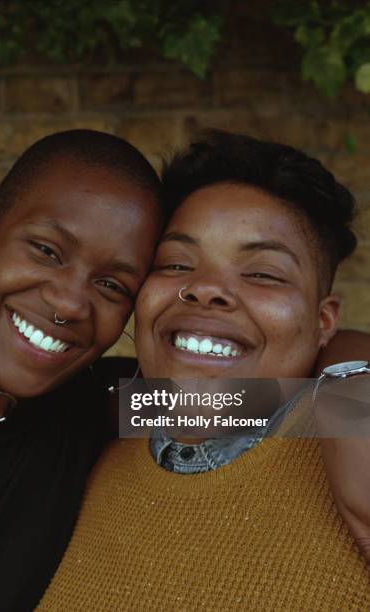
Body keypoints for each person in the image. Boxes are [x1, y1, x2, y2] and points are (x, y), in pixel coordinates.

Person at [38, 130, 370, 611]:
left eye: (262, 273)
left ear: (323, 322)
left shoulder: (355, 460)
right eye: (175, 264)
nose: (206, 288)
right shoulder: (91, 444)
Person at [0, 130, 163, 611]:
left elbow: (284, 405)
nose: (69, 302)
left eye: (111, 284)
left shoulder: (98, 407)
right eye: (46, 251)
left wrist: (348, 365)